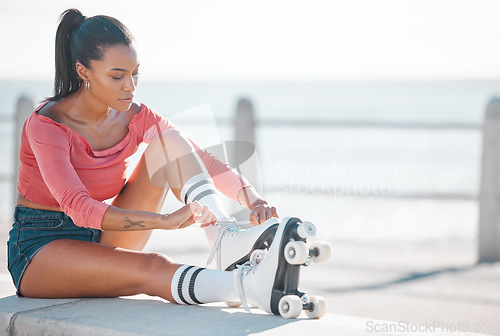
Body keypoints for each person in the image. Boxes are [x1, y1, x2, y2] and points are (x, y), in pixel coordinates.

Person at [7, 8, 284, 313]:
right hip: (40, 248)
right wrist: (164, 222)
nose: (131, 86)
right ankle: (248, 287)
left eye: (135, 72)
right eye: (117, 75)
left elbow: (200, 158)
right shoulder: (47, 125)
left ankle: (224, 239)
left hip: (103, 232)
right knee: (153, 266)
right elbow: (79, 208)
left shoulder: (136, 117)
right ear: (83, 71)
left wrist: (254, 199)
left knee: (170, 142)